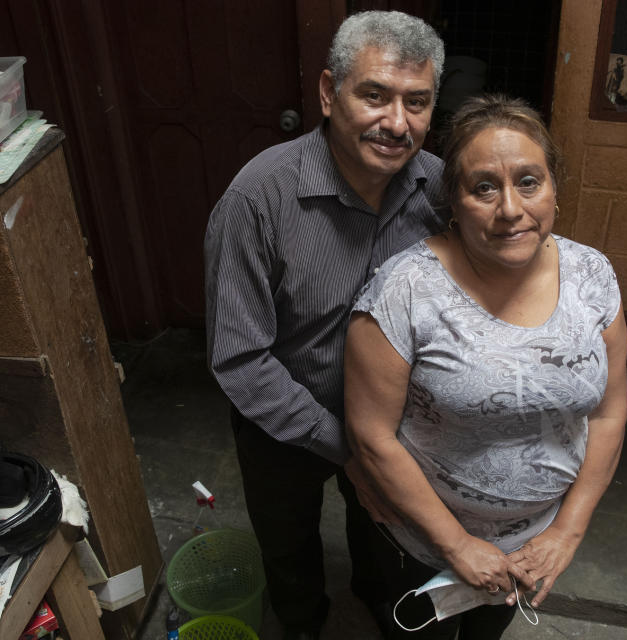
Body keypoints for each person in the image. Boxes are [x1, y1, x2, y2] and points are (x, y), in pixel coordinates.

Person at [344, 95, 627, 639]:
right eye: (483, 188)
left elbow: (610, 412)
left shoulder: (592, 275)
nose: (511, 210)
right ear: (453, 200)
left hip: (532, 545)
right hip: (423, 542)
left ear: (553, 190)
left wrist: (566, 532)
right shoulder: (404, 291)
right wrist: (457, 545)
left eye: (529, 181)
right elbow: (371, 435)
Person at [203, 11, 445, 640]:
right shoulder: (259, 197)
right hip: (283, 422)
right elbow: (240, 358)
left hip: (395, 426)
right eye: (374, 95)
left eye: (416, 102)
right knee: (288, 547)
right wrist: (345, 444)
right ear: (327, 92)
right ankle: (304, 623)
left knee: (384, 535)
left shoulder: (441, 190)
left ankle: (373, 596)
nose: (397, 123)